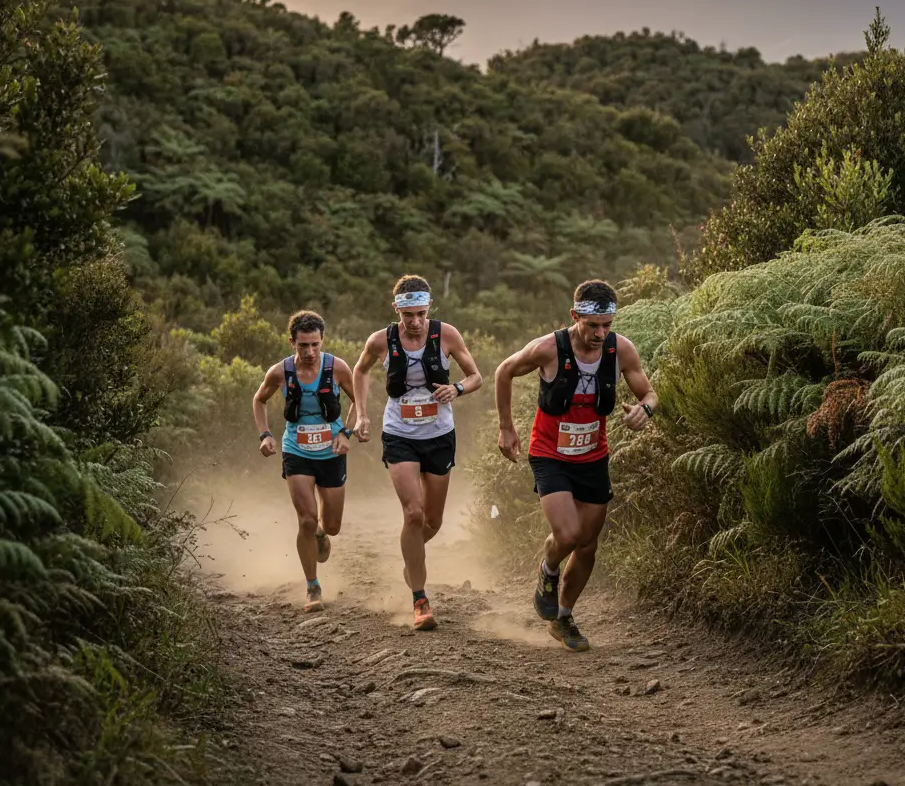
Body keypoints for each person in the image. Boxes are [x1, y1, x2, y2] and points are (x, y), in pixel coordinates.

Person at [494, 279, 657, 651]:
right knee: (567, 534)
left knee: (587, 545)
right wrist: (506, 428)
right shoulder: (549, 348)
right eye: (592, 325)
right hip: (549, 453)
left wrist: (645, 409)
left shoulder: (621, 350)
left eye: (607, 325)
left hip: (593, 456)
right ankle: (547, 571)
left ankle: (564, 618)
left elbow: (649, 392)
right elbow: (504, 371)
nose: (600, 334)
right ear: (575, 316)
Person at [352, 275, 482, 631]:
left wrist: (456, 389)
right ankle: (420, 599)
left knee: (432, 521)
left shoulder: (447, 335)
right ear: (396, 310)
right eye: (408, 314)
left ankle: (412, 554)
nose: (415, 322)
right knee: (413, 514)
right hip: (399, 435)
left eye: (421, 314)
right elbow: (360, 370)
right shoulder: (381, 340)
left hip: (439, 435)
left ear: (430, 309)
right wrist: (362, 414)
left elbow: (476, 377)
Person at [252, 309, 357, 613]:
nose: (310, 352)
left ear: (322, 341)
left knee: (331, 525)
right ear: (292, 343)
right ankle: (312, 586)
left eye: (315, 345)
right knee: (307, 520)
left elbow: (358, 402)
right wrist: (265, 435)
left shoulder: (337, 368)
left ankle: (323, 534)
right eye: (303, 346)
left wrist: (346, 433)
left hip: (331, 450)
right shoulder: (279, 372)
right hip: (296, 449)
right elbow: (259, 399)